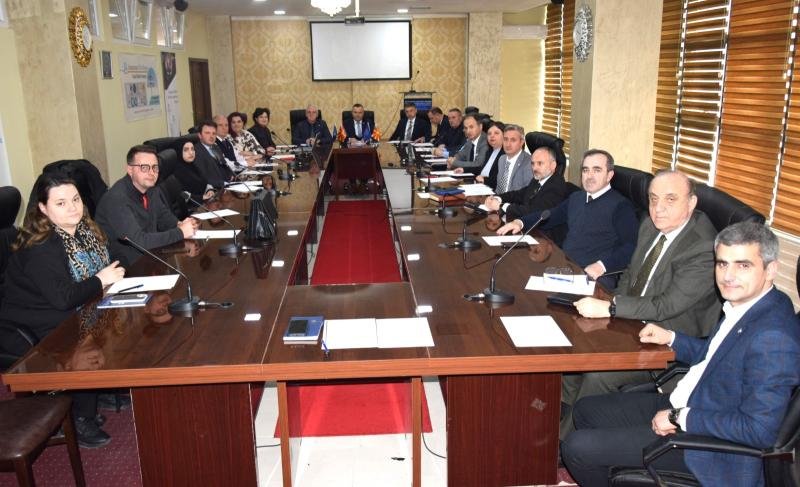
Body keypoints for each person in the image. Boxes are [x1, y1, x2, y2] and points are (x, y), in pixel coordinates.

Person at [562, 222, 800, 487]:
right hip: (693, 401)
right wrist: (672, 338)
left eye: (743, 265)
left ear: (771, 269)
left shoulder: (774, 337)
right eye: (722, 263)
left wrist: (680, 417)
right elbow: (719, 357)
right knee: (585, 410)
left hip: (710, 449)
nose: (728, 276)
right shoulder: (752, 303)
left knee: (577, 448)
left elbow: (760, 430)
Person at [560, 170, 722, 438]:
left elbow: (665, 306)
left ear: (691, 203)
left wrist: (612, 309)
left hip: (666, 340)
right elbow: (630, 275)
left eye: (670, 199)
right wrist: (611, 306)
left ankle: (563, 442)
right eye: (653, 199)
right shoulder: (650, 225)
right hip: (631, 321)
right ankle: (559, 413)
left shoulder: (703, 247)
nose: (659, 208)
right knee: (574, 343)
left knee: (597, 373)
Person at [0, 173, 125, 447]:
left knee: (112, 318)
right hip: (30, 320)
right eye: (61, 203)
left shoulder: (83, 231)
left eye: (76, 199)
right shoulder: (40, 246)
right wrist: (101, 280)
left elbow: (106, 263)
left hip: (63, 307)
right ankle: (81, 417)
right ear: (43, 209)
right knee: (86, 336)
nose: (72, 207)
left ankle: (99, 388)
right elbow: (63, 298)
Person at [497, 149, 638, 289]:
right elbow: (550, 215)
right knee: (515, 278)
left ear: (609, 175)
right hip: (565, 267)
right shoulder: (577, 197)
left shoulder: (621, 206)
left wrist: (602, 266)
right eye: (585, 170)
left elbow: (630, 246)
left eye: (597, 170)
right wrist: (520, 222)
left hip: (594, 277)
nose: (589, 176)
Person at [95, 145, 197, 267]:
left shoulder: (151, 190)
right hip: (127, 267)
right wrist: (180, 232)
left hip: (151, 256)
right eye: (144, 168)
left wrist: (180, 224)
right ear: (130, 170)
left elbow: (164, 218)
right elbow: (140, 242)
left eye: (155, 167)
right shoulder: (116, 199)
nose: (151, 173)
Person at [484, 146, 568, 222]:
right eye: (533, 163)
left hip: (541, 231)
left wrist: (502, 206)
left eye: (540, 163)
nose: (535, 168)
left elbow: (536, 212)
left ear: (553, 165)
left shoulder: (556, 186)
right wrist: (497, 198)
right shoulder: (538, 179)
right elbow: (519, 194)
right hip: (524, 223)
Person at [477, 123, 531, 191]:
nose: (508, 144)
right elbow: (499, 188)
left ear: (521, 142)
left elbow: (527, 193)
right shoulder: (502, 159)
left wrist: (500, 197)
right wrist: (495, 196)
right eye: (505, 139)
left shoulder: (529, 163)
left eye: (513, 140)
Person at [193, 120, 236, 187]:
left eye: (214, 133)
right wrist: (224, 184)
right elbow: (203, 178)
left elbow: (224, 166)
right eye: (207, 133)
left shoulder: (215, 147)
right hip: (215, 188)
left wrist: (232, 176)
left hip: (228, 185)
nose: (211, 136)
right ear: (200, 135)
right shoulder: (196, 151)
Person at [173, 141, 216, 205]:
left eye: (192, 149)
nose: (191, 153)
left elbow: (205, 182)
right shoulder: (176, 172)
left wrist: (209, 190)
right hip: (193, 208)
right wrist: (201, 197)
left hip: (205, 203)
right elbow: (181, 195)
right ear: (179, 152)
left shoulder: (193, 165)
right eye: (186, 150)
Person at [475, 121, 505, 188]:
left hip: (492, 189)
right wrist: (463, 169)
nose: (492, 136)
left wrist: (485, 180)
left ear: (504, 136)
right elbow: (479, 168)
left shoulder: (506, 155)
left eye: (496, 133)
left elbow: (503, 181)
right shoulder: (488, 152)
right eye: (489, 134)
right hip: (480, 185)